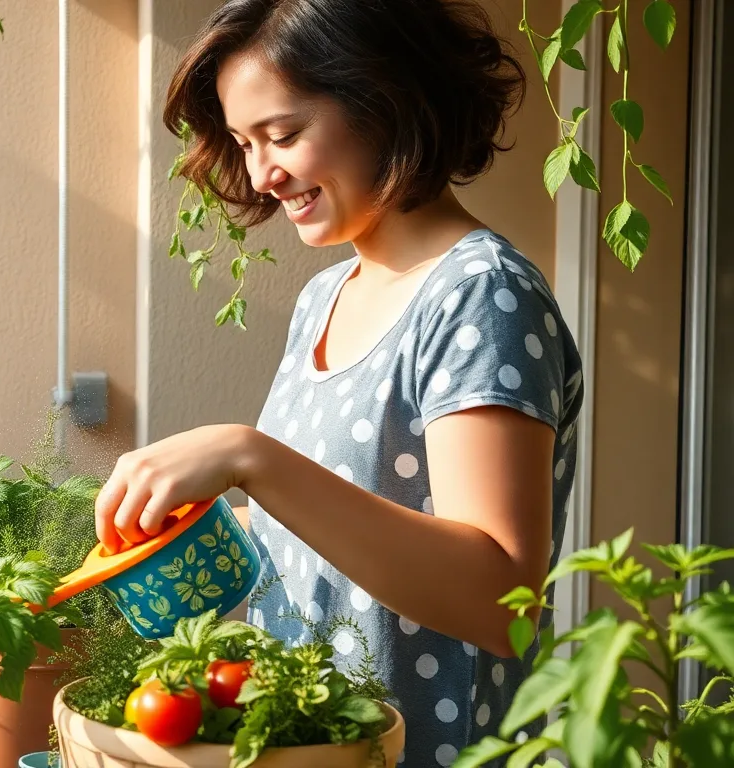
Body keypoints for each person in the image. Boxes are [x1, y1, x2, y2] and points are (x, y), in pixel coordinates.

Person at [93, 1, 583, 765]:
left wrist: (247, 455)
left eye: (283, 134)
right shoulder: (327, 296)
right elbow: (333, 524)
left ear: (383, 101)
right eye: (244, 142)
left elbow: (499, 601)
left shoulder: (482, 297)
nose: (261, 171)